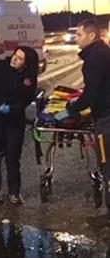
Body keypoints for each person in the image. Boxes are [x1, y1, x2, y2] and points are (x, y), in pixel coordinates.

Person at [59, 20, 110, 216]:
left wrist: (72, 108)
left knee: (106, 164)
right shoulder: (104, 53)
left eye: (79, 34)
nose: (76, 38)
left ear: (91, 36)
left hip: (106, 119)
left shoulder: (94, 60)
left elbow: (91, 94)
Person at [0, 46, 39, 205]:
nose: (15, 59)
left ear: (26, 64)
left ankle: (14, 191)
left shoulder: (29, 77)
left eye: (20, 58)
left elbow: (27, 98)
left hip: (14, 119)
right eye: (15, 55)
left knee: (13, 156)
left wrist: (12, 108)